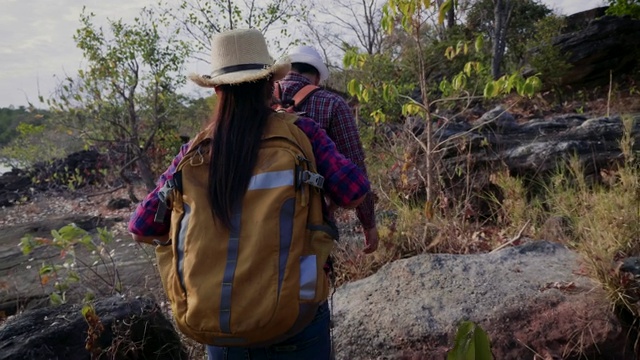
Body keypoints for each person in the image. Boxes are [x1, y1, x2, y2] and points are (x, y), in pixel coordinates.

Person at [128, 29, 370, 360]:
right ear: (271, 84)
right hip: (295, 318)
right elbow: (355, 192)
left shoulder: (194, 151)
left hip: (220, 326)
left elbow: (140, 227)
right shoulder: (302, 133)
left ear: (216, 90)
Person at [276, 45, 379, 254]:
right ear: (316, 78)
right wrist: (368, 223)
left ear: (286, 71)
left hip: (256, 220)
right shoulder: (332, 104)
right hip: (311, 220)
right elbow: (355, 165)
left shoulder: (257, 99)